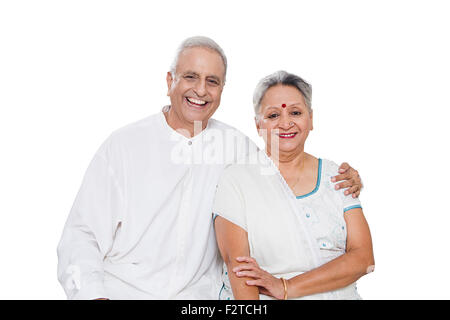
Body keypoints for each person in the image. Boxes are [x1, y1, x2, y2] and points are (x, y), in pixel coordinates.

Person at [57, 37, 363, 299]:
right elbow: (81, 236)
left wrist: (347, 178)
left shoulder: (236, 146)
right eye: (190, 77)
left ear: (221, 89)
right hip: (123, 290)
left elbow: (286, 165)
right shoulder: (123, 145)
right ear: (169, 82)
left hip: (201, 299)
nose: (201, 90)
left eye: (212, 81)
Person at [213, 70, 374, 300]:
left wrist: (286, 287)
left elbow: (364, 259)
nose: (286, 123)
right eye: (273, 115)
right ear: (258, 125)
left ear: (311, 119)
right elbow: (240, 271)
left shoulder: (336, 176)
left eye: (295, 112)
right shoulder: (237, 181)